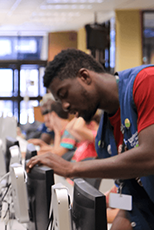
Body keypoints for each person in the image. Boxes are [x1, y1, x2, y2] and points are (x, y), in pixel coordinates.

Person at [26, 48, 154, 229]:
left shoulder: (146, 82)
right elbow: (132, 200)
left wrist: (71, 168)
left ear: (84, 77)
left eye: (64, 94)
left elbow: (150, 156)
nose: (65, 106)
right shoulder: (104, 139)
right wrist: (107, 201)